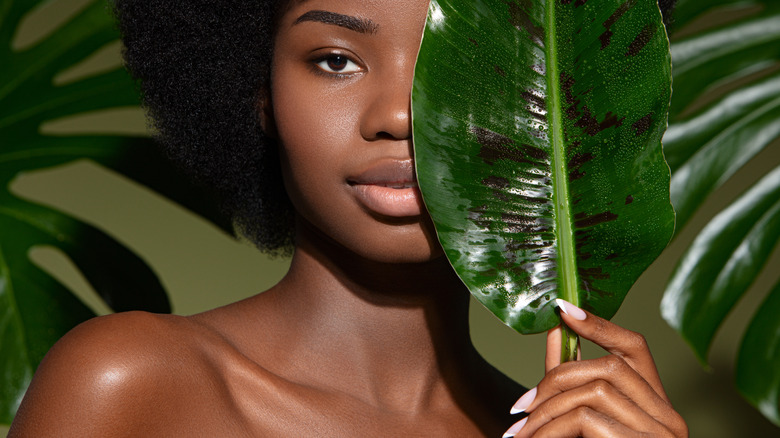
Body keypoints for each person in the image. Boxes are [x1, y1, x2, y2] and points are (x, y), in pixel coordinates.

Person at [9, 0, 688, 436]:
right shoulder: (133, 384)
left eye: (449, 69)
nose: (395, 116)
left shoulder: (559, 428)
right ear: (259, 94)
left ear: (539, 109)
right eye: (335, 61)